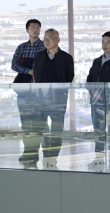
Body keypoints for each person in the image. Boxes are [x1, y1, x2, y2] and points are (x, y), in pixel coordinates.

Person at [30, 28, 75, 167]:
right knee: (42, 130)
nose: (46, 41)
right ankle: (45, 156)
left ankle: (53, 157)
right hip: (41, 101)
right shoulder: (39, 56)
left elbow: (68, 78)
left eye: (50, 38)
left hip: (58, 101)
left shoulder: (66, 58)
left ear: (58, 40)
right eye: (45, 38)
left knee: (56, 131)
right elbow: (36, 77)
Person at [12, 19, 44, 166]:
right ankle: (27, 151)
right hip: (24, 90)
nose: (35, 30)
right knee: (25, 121)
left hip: (38, 91)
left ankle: (35, 151)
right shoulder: (21, 47)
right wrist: (28, 71)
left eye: (37, 27)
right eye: (32, 27)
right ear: (27, 30)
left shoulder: (43, 46)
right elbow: (14, 64)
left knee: (37, 122)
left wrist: (33, 71)